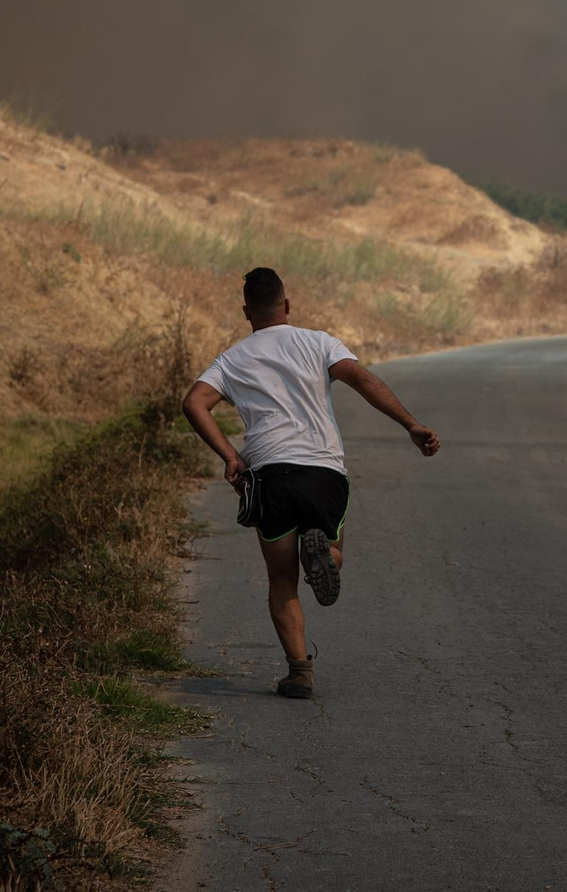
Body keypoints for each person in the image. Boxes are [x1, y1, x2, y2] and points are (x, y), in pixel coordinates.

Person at [182, 267, 441, 699]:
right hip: (323, 472)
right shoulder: (319, 342)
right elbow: (364, 380)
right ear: (286, 305)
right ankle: (325, 557)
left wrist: (230, 456)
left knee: (282, 580)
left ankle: (300, 673)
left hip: (270, 475)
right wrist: (410, 425)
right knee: (332, 549)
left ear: (247, 312)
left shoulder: (231, 359)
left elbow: (194, 403)